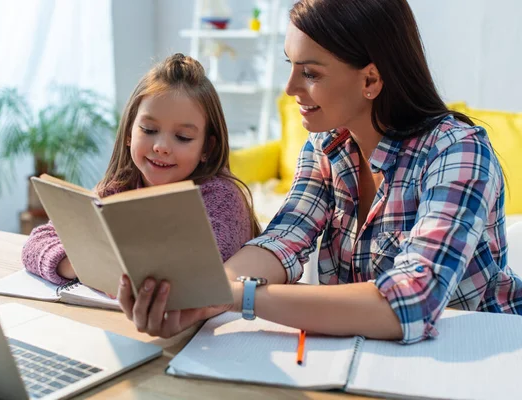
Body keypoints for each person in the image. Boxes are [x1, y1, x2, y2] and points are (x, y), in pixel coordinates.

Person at [118, 0, 522, 344]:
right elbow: (283, 239)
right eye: (290, 65)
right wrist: (202, 293)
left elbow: (411, 302)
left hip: (477, 356)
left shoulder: (458, 151)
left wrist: (238, 296)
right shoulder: (327, 147)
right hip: (368, 356)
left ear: (371, 79)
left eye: (310, 73)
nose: (290, 86)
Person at [22, 53, 260, 287]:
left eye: (182, 137)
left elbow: (196, 275)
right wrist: (79, 264)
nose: (161, 147)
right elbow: (35, 246)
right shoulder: (116, 190)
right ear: (129, 133)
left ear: (207, 147)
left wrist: (103, 261)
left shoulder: (222, 198)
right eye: (148, 130)